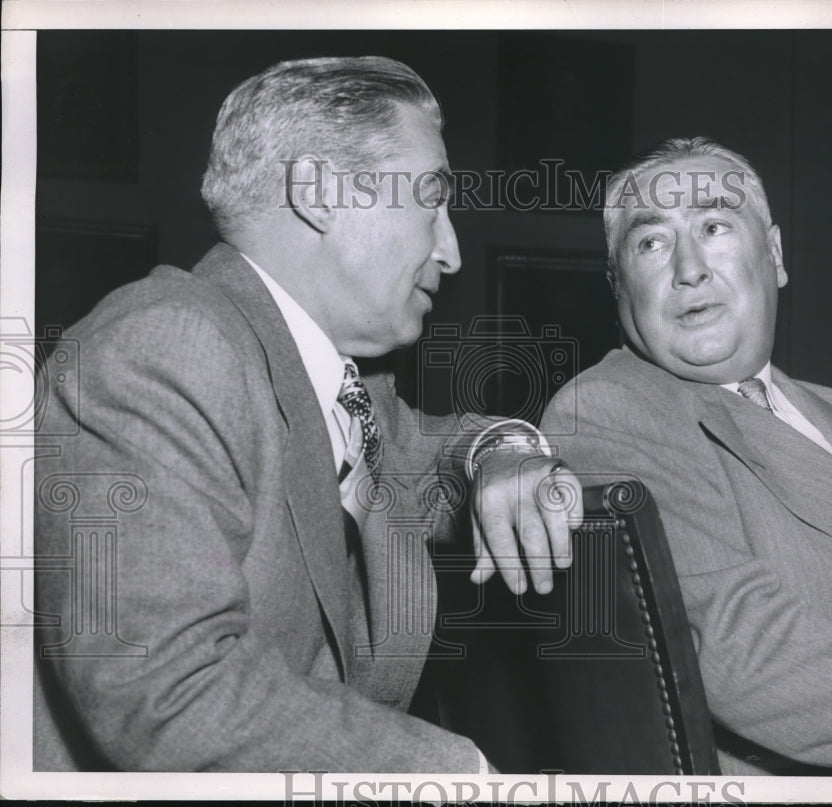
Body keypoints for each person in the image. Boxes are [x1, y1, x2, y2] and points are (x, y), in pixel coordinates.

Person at [32, 56, 581, 772]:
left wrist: (503, 449)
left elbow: (437, 451)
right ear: (321, 193)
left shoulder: (344, 376)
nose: (450, 251)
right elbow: (168, 692)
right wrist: (458, 776)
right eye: (431, 201)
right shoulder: (165, 347)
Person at [540, 137, 832, 776]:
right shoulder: (607, 408)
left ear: (773, 255)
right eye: (651, 242)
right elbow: (752, 657)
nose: (689, 267)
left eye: (714, 226)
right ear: (617, 284)